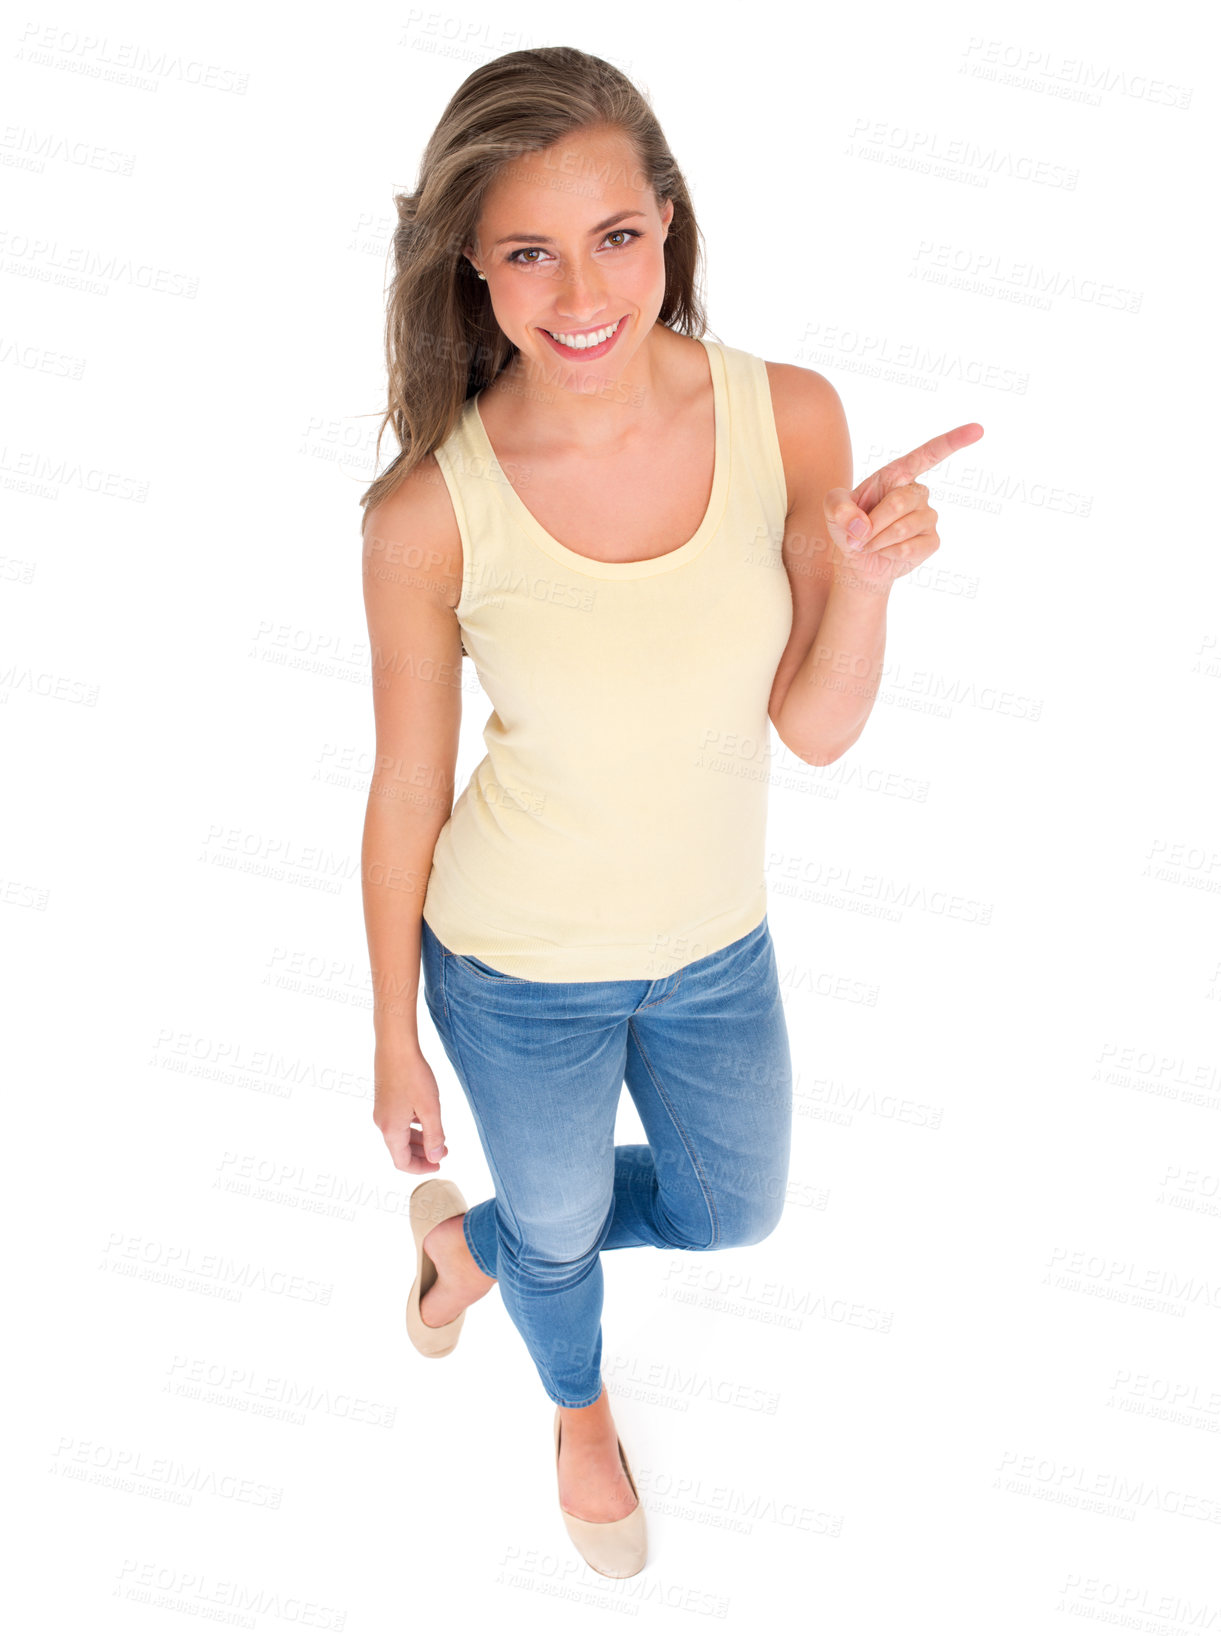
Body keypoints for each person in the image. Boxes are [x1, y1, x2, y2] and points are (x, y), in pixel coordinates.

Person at [358, 45, 976, 1578]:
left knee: (728, 1211)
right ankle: (578, 1411)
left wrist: (868, 587)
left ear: (668, 227)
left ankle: (464, 1247)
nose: (582, 291)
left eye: (615, 237)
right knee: (565, 1235)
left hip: (715, 948)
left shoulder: (792, 418)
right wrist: (390, 1032)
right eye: (527, 251)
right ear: (472, 269)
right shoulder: (428, 507)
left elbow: (815, 731)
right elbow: (405, 785)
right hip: (512, 971)